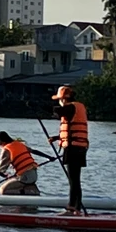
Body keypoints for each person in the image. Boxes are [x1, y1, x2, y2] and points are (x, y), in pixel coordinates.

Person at [48, 85, 89, 214]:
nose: (59, 102)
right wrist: (56, 137)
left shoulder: (71, 107)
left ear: (65, 98)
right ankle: (76, 207)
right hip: (79, 147)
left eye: (59, 99)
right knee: (75, 179)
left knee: (73, 179)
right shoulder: (78, 107)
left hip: (73, 148)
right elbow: (71, 129)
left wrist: (36, 107)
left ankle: (72, 208)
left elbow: (58, 111)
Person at [0, 131, 55, 195]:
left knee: (2, 190)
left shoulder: (6, 149)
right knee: (13, 181)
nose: (0, 147)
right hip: (34, 176)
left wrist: (6, 176)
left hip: (25, 178)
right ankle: (30, 187)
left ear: (3, 142)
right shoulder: (19, 144)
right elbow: (34, 151)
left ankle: (31, 192)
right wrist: (49, 157)